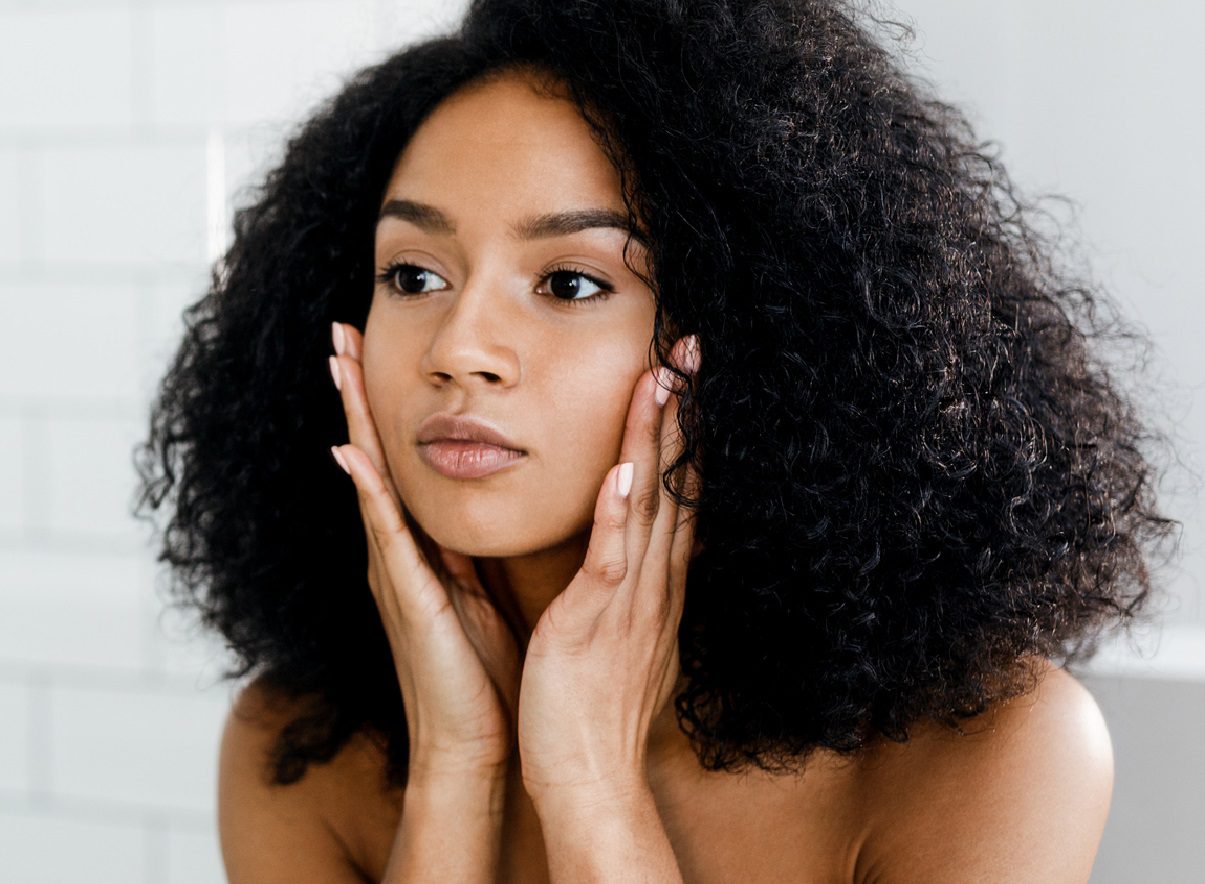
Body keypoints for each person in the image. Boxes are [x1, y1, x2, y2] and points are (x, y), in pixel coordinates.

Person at [133, 0, 1180, 880]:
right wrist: (454, 772)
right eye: (413, 274)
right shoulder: (300, 749)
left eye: (570, 282)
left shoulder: (986, 753)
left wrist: (588, 783)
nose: (457, 349)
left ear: (750, 333)